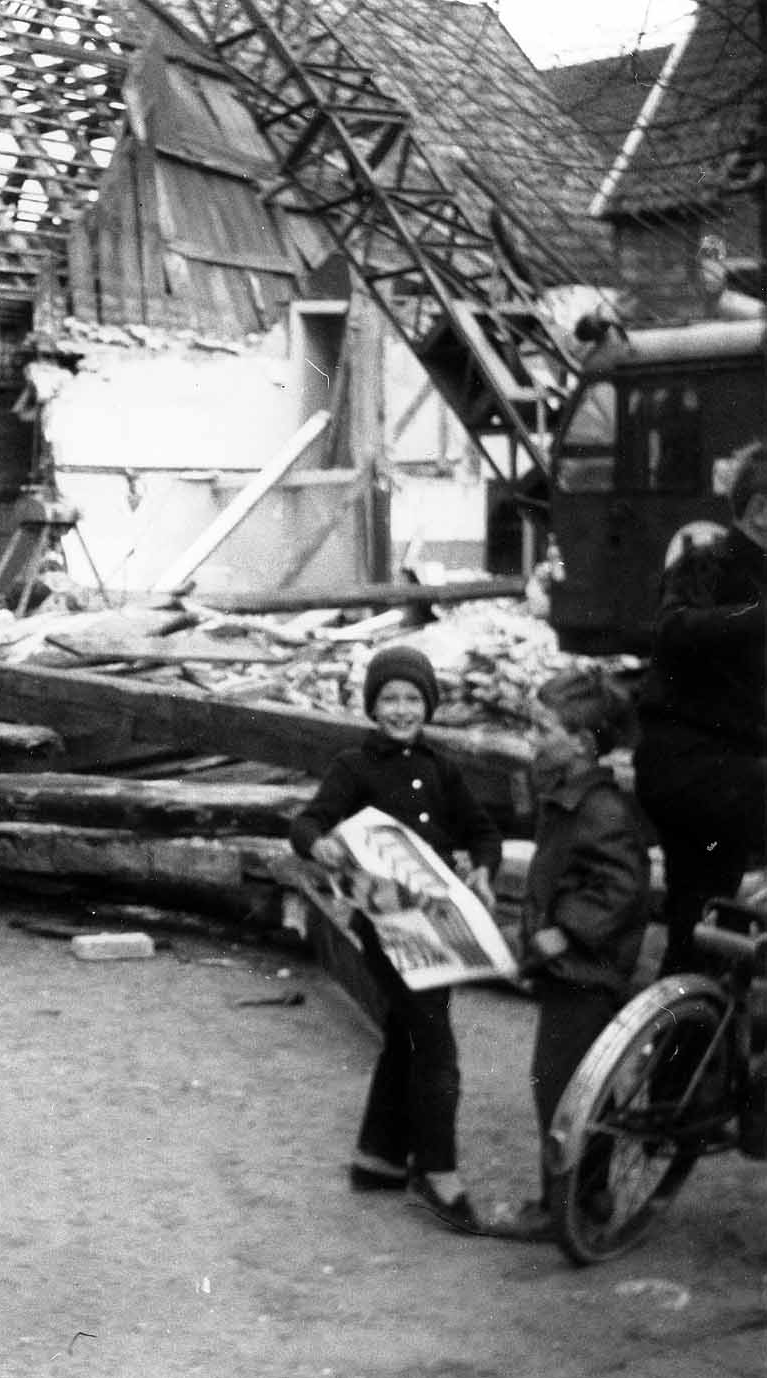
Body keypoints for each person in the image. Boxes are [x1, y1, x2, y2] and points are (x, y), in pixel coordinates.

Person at [290, 645, 503, 1233]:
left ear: (428, 706)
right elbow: (306, 822)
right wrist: (320, 845)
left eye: (412, 699)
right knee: (436, 1046)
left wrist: (484, 865)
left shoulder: (441, 768)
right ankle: (438, 1174)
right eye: (390, 699)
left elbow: (482, 831)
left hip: (434, 928)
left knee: (408, 1035)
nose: (402, 710)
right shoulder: (354, 766)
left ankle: (378, 1159)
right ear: (372, 705)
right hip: (384, 929)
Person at [495, 670, 651, 1241]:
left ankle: (562, 1209)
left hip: (587, 972)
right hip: (566, 970)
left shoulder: (602, 809)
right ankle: (590, 1200)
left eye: (545, 730)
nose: (535, 740)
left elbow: (622, 887)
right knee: (568, 1087)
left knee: (565, 1091)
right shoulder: (566, 795)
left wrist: (566, 931)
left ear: (583, 742)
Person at [634, 440, 767, 976]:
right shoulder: (706, 563)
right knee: (705, 911)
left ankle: (694, 1045)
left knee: (702, 923)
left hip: (730, 770)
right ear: (760, 509)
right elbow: (673, 630)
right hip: (693, 767)